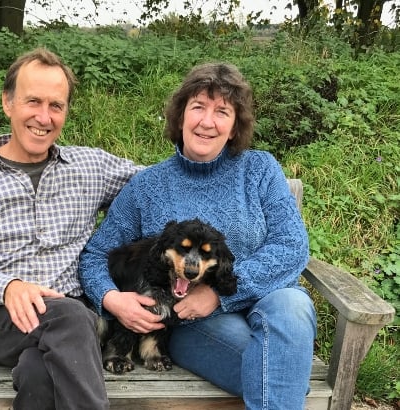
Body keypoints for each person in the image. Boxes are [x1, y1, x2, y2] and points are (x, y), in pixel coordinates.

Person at [79, 62, 317, 409]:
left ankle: (283, 379)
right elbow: (96, 255)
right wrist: (112, 299)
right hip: (192, 321)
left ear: (235, 126)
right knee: (278, 372)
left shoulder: (260, 169)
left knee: (294, 304)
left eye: (222, 111)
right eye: (198, 107)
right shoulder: (148, 187)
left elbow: (292, 246)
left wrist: (219, 293)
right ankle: (285, 381)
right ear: (180, 118)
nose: (208, 121)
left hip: (270, 302)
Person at [0, 47, 141, 410]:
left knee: (38, 372)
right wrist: (7, 286)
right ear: (7, 103)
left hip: (73, 316)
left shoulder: (89, 167)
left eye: (56, 106)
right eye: (33, 102)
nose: (44, 117)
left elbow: (155, 186)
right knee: (74, 319)